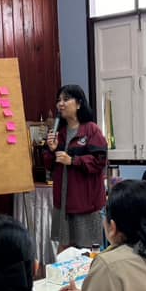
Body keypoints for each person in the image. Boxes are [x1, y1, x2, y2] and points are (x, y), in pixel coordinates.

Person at [42, 85, 108, 251]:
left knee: (86, 250)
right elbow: (49, 165)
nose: (60, 104)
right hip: (63, 202)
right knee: (64, 248)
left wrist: (73, 160)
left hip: (86, 203)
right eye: (59, 100)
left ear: (78, 104)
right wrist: (52, 149)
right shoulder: (59, 132)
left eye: (65, 99)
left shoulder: (91, 130)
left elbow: (99, 161)